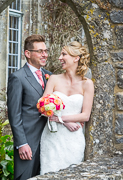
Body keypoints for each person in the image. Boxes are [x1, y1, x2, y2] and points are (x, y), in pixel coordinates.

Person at [40, 41, 94, 174]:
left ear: (76, 58)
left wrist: (60, 119)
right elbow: (42, 108)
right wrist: (65, 121)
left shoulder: (87, 84)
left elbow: (85, 115)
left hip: (73, 139)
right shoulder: (53, 79)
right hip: (52, 137)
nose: (60, 58)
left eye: (64, 54)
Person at [7, 34, 52, 180]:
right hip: (28, 143)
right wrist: (22, 144)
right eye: (40, 51)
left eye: (45, 51)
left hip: (49, 140)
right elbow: (14, 114)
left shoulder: (50, 76)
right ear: (28, 53)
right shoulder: (18, 77)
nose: (44, 55)